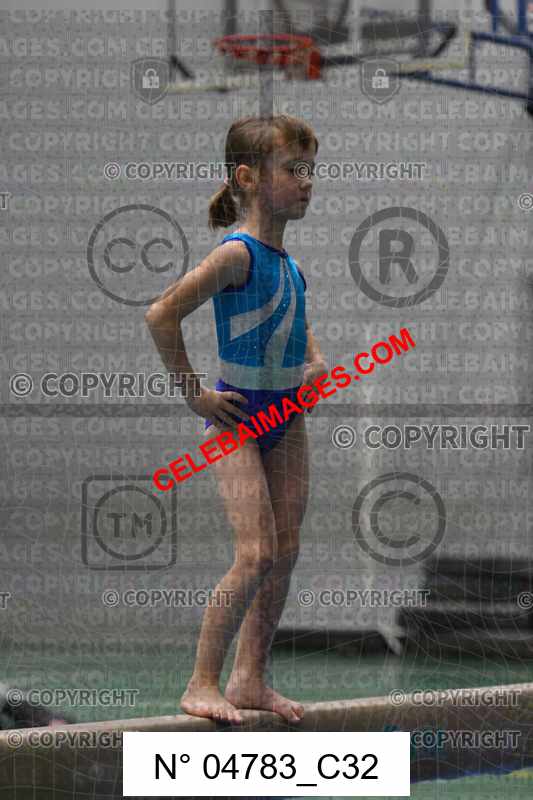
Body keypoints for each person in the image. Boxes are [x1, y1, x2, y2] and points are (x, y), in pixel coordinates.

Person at [145, 114, 327, 724]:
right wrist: (195, 395)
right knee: (255, 553)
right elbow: (161, 315)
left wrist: (316, 365)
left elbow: (298, 329)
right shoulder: (236, 254)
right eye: (292, 170)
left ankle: (250, 677)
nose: (306, 182)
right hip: (237, 419)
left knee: (286, 550)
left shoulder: (290, 265)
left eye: (310, 170)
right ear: (247, 178)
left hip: (287, 418)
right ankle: (201, 682)